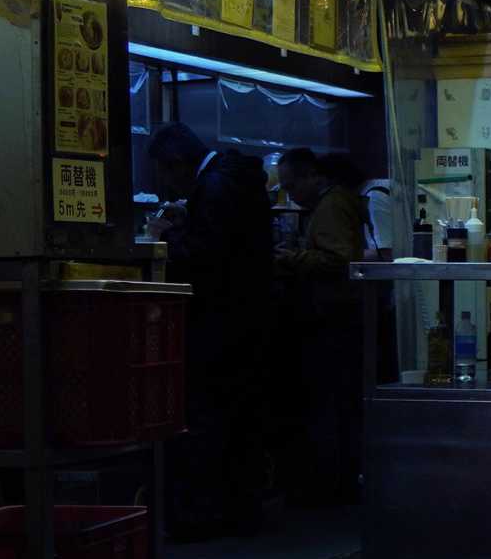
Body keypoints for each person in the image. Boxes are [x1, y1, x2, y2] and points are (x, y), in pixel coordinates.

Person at [148, 121, 273, 537]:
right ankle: (239, 507)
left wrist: (167, 239)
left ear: (178, 163)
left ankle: (203, 514)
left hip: (220, 322)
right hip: (247, 319)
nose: (165, 183)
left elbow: (209, 255)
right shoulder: (235, 176)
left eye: (164, 173)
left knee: (207, 416)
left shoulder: (215, 186)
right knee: (238, 416)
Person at [274, 147, 367, 502]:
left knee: (330, 403)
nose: (290, 194)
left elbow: (338, 259)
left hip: (333, 315)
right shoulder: (341, 201)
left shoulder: (330, 206)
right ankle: (338, 480)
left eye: (292, 185)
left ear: (314, 176)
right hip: (343, 314)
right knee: (339, 403)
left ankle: (330, 484)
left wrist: (293, 258)